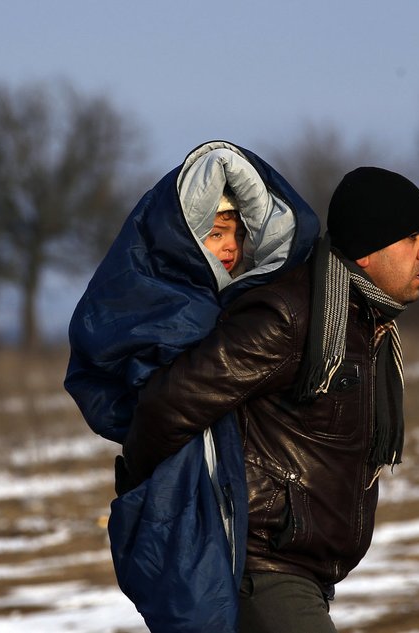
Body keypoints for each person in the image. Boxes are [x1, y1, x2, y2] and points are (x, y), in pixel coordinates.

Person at [122, 166, 419, 633]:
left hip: (304, 574)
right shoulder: (292, 317)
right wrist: (158, 507)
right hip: (264, 569)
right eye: (414, 236)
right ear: (370, 249)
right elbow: (167, 406)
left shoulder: (364, 325)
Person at [64, 140, 320, 633]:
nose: (229, 246)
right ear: (182, 242)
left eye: (237, 234)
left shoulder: (254, 310)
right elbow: (103, 374)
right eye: (215, 232)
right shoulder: (159, 305)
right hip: (179, 491)